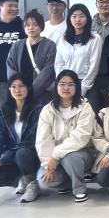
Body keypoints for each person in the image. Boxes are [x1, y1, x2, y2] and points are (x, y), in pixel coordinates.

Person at [36, 70, 95, 202]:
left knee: (71, 158)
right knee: (44, 179)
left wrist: (56, 155)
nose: (66, 88)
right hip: (56, 157)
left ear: (77, 87)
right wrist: (48, 164)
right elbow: (43, 140)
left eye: (70, 84)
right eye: (62, 84)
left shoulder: (85, 107)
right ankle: (67, 183)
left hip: (81, 153)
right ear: (56, 86)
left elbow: (81, 137)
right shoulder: (47, 110)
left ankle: (79, 189)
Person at [0, 75, 42, 202]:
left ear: (28, 88)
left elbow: (30, 142)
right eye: (13, 87)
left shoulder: (37, 109)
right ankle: (22, 178)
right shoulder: (4, 111)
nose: (17, 90)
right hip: (12, 157)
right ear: (9, 89)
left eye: (21, 86)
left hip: (32, 155)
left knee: (22, 153)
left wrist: (4, 158)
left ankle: (32, 184)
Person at [6, 9, 56, 105]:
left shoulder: (50, 45)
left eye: (35, 24)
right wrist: (18, 88)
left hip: (43, 93)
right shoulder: (17, 45)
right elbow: (10, 67)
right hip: (20, 94)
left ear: (41, 26)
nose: (31, 28)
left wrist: (30, 92)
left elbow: (48, 71)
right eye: (27, 25)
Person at [54, 4, 104, 98]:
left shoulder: (95, 39)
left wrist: (83, 88)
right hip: (66, 83)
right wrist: (61, 83)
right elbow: (59, 64)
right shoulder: (63, 39)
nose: (78, 19)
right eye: (74, 16)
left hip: (85, 83)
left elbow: (94, 67)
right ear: (69, 18)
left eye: (81, 16)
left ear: (87, 18)